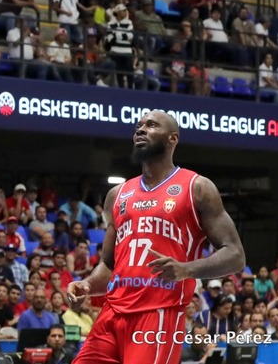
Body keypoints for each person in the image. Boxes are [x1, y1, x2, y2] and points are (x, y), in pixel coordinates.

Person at [67, 110, 246, 364]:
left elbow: (236, 255)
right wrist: (87, 285)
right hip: (113, 312)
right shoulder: (118, 194)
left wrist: (186, 269)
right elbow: (108, 264)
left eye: (151, 125)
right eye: (138, 126)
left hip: (159, 315)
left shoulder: (196, 187)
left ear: (172, 139)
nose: (141, 129)